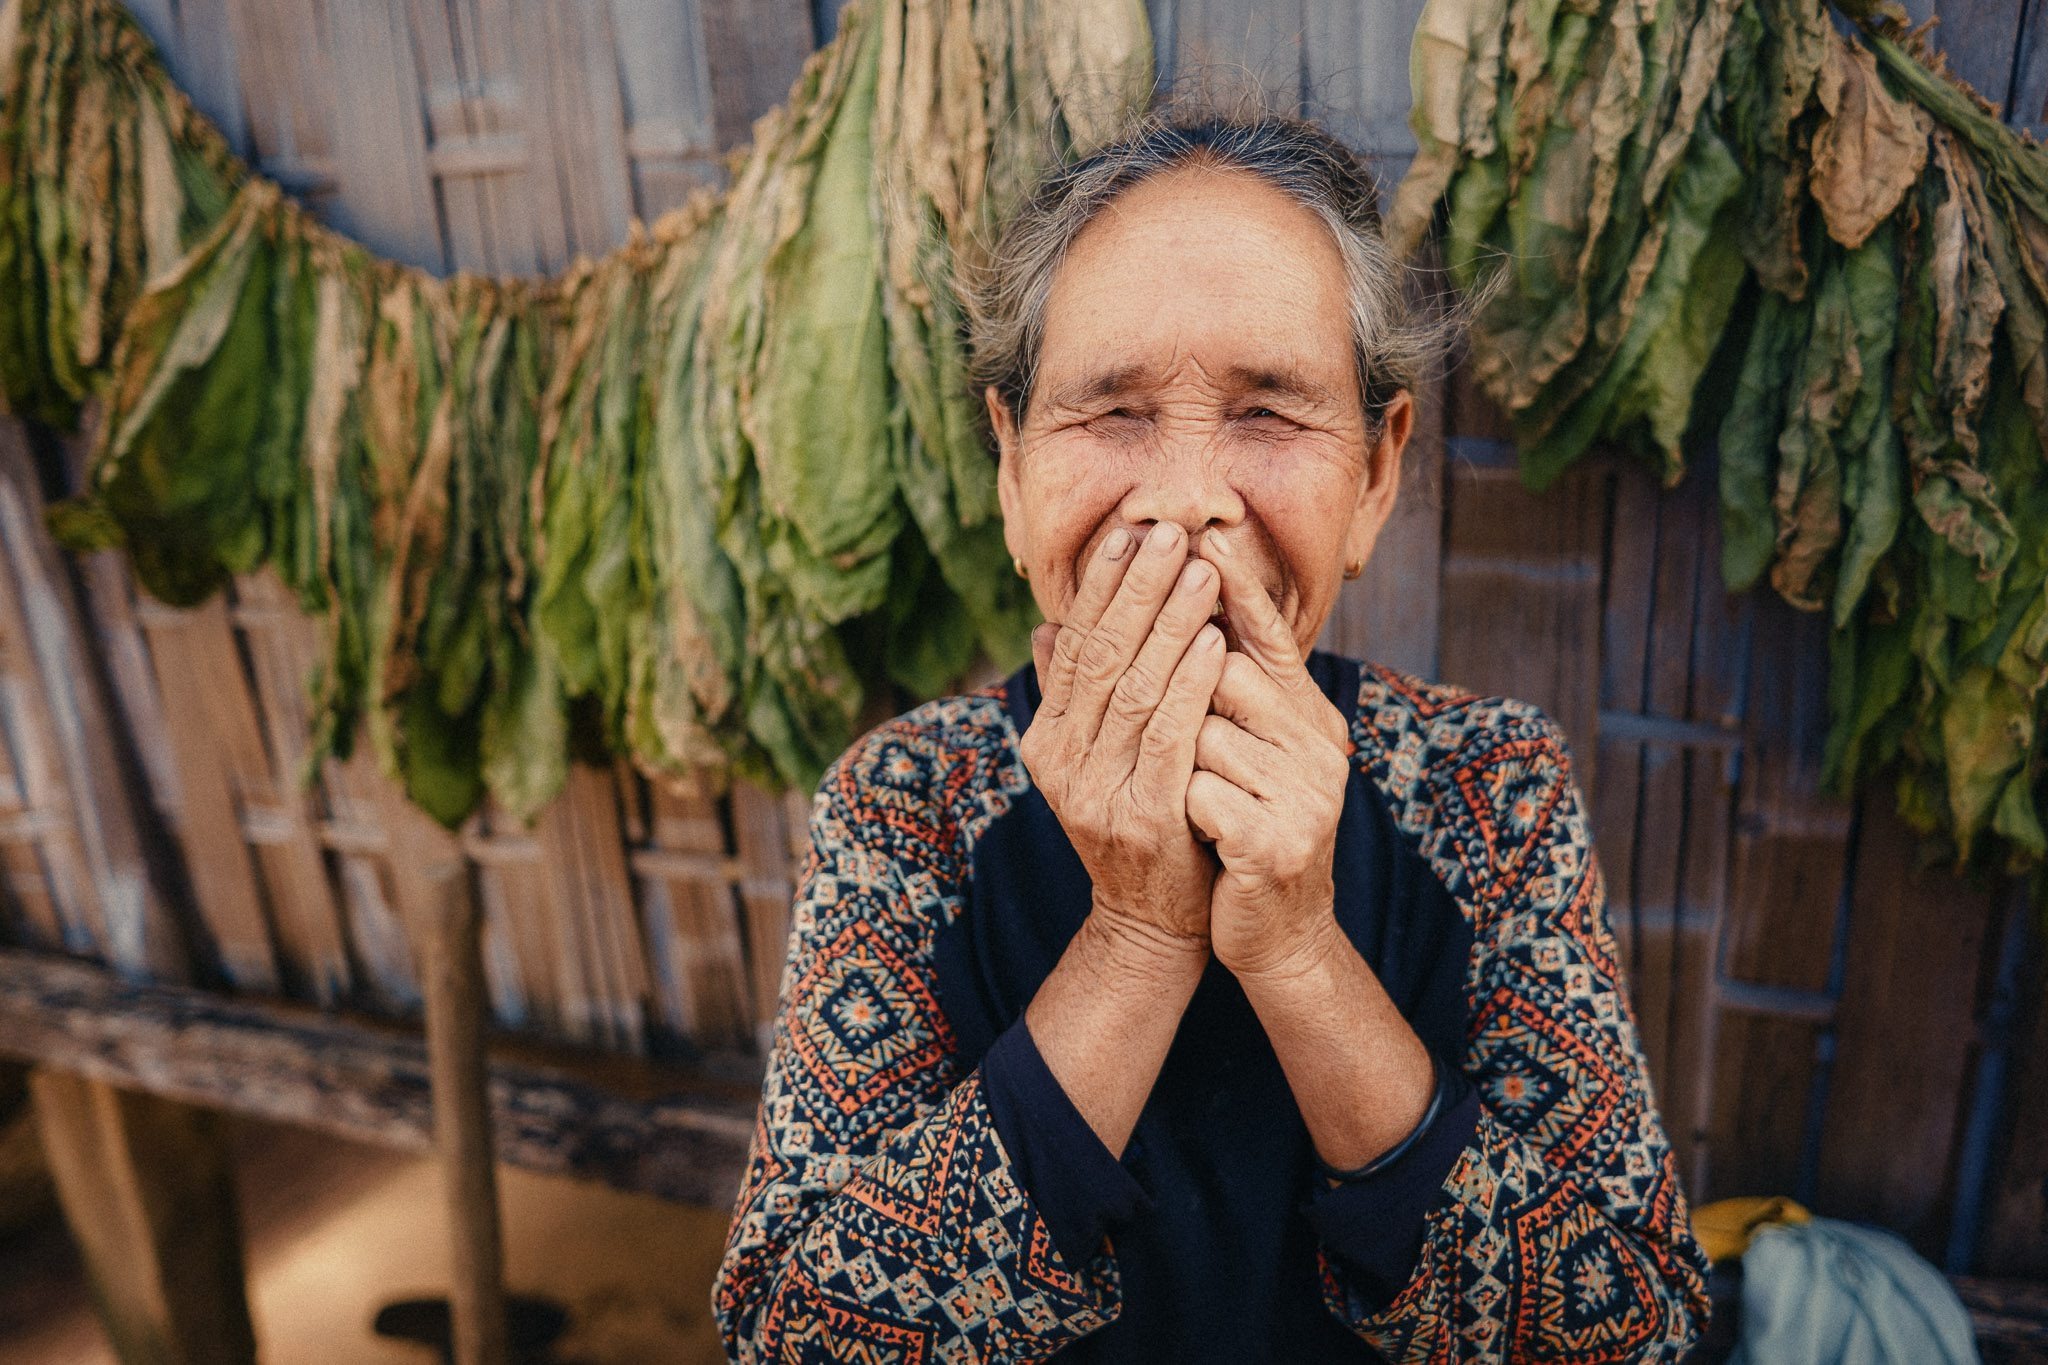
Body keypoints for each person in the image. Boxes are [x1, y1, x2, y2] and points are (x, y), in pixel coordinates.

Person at [710, 107, 1713, 1362]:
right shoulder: (904, 801)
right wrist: (1136, 937)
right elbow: (795, 1339)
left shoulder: (1488, 785)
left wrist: (1296, 950)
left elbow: (1633, 1334)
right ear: (1013, 470)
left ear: (1376, 473)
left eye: (1269, 414)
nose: (1186, 502)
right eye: (1109, 412)